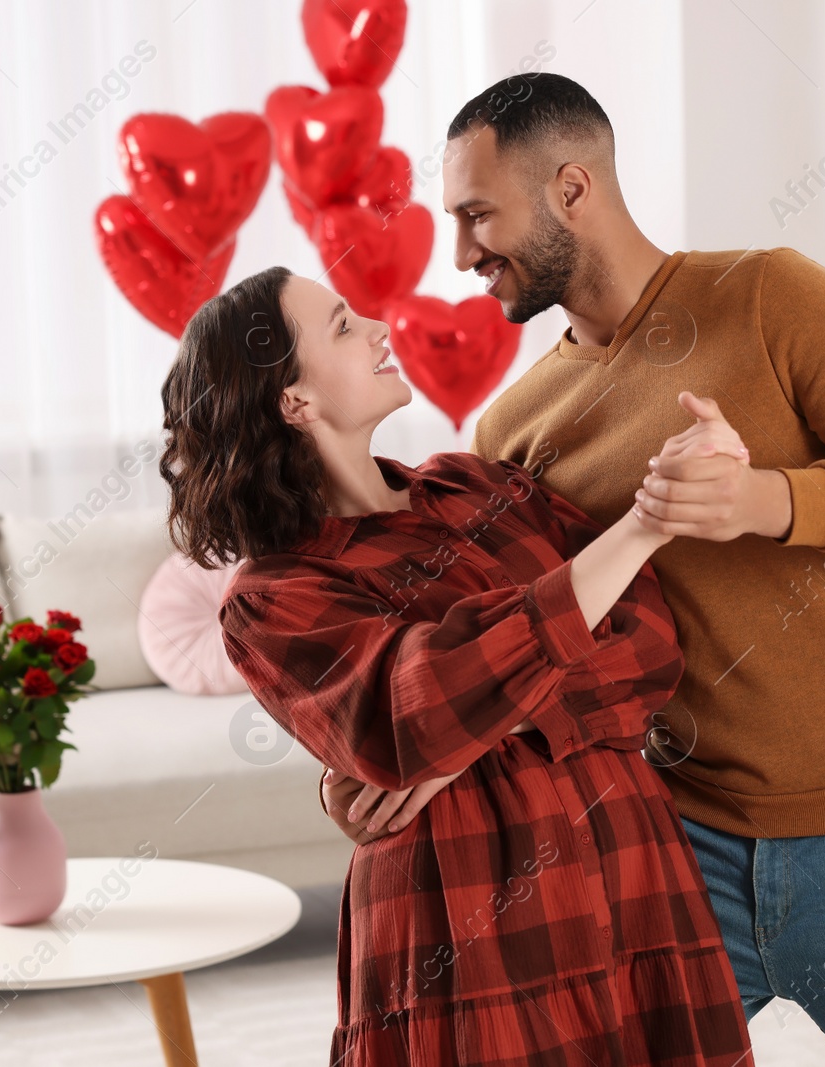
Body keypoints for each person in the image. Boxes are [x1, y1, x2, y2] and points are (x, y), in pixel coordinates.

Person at [320, 73, 825, 1065]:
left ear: (572, 188)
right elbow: (522, 643)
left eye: (478, 214)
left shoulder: (767, 296)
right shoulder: (512, 426)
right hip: (667, 843)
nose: (460, 254)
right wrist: (406, 755)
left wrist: (764, 500)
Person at [160, 264, 756, 1064]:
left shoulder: (479, 486)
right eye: (342, 325)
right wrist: (644, 525)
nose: (378, 326)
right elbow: (413, 709)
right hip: (470, 910)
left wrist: (460, 742)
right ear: (294, 403)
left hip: (633, 871)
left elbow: (647, 644)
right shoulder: (274, 597)